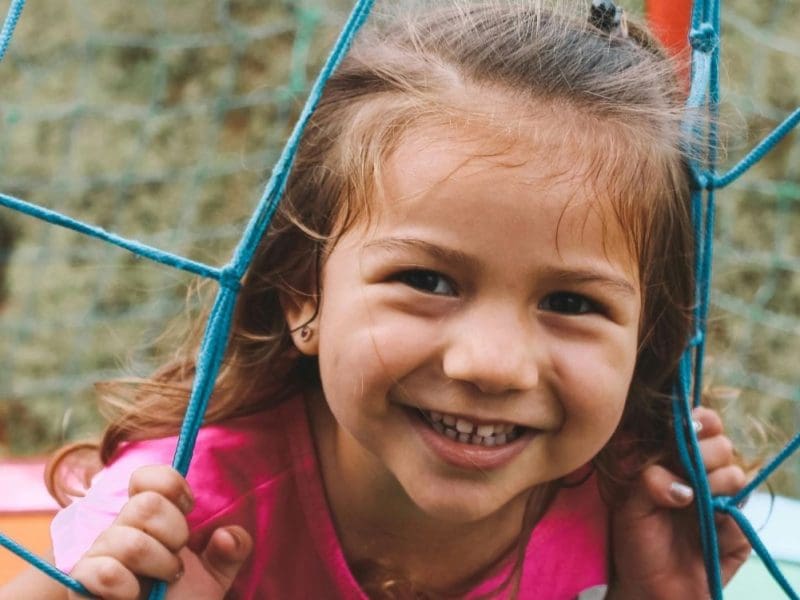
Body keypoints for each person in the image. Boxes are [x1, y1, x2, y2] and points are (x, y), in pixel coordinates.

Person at [1, 1, 751, 598]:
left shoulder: (632, 507)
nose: (492, 365)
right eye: (427, 281)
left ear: (648, 336)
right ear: (304, 296)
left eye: (571, 302)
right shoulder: (177, 510)